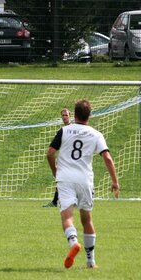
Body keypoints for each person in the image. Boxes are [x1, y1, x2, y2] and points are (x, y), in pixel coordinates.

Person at [46, 99, 120, 269]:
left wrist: (55, 172)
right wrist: (115, 181)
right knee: (86, 219)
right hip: (85, 180)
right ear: (90, 115)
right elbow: (107, 157)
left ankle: (73, 243)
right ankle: (90, 261)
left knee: (67, 216)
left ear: (75, 113)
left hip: (65, 178)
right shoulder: (96, 134)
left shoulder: (64, 131)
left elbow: (50, 154)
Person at [43, 108, 71, 207]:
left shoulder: (71, 130)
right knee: (62, 180)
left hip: (71, 160)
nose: (64, 117)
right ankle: (56, 201)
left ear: (70, 116)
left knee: (63, 180)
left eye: (66, 115)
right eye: (63, 115)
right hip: (65, 160)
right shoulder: (63, 131)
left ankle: (58, 201)